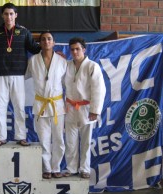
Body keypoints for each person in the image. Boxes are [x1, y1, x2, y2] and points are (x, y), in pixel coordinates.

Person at [0, 2, 41, 147]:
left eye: (11, 14)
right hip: (0, 75)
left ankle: (21, 136)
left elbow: (35, 49)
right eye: (6, 14)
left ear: (16, 15)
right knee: (0, 108)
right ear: (2, 15)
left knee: (19, 107)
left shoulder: (24, 32)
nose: (9, 17)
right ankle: (0, 137)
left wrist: (51, 50)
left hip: (18, 75)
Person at [25, 31, 67, 179]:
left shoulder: (62, 62)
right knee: (43, 139)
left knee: (59, 140)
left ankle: (56, 168)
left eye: (49, 39)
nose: (46, 41)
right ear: (40, 43)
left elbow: (68, 83)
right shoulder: (33, 60)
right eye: (43, 39)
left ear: (54, 42)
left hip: (57, 105)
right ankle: (47, 168)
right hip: (41, 104)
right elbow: (22, 76)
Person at [63, 37, 106, 179]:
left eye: (77, 49)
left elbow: (99, 89)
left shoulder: (92, 66)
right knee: (70, 140)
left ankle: (85, 169)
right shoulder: (67, 65)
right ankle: (71, 167)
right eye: (72, 49)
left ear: (84, 49)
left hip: (86, 108)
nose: (74, 52)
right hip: (70, 107)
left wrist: (95, 110)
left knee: (86, 141)